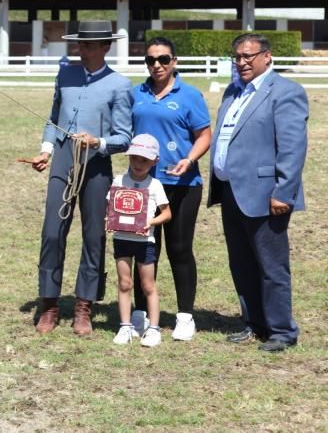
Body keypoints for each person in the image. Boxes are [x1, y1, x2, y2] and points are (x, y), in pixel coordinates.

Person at [30, 20, 132, 336]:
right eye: (80, 45)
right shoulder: (65, 75)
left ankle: (83, 306)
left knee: (93, 237)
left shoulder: (119, 84)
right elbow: (53, 117)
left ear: (105, 47)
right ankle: (49, 304)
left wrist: (99, 143)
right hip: (63, 159)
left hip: (96, 164)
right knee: (51, 231)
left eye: (89, 46)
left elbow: (124, 136)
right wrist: (46, 149)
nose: (83, 50)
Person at [208, 33, 307, 352]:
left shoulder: (286, 92)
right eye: (237, 56)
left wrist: (283, 192)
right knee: (242, 262)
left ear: (268, 56)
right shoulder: (232, 91)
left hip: (267, 195)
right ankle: (254, 322)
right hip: (232, 191)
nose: (242, 62)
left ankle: (281, 330)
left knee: (271, 266)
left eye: (249, 56)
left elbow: (293, 148)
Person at [129, 37, 212, 341]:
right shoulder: (135, 93)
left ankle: (185, 316)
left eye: (163, 59)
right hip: (143, 184)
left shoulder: (189, 95)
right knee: (144, 249)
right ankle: (139, 313)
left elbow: (204, 135)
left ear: (174, 61)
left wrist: (189, 160)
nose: (157, 65)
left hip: (183, 184)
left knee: (179, 249)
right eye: (151, 60)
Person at [109, 133, 172, 347]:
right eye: (134, 158)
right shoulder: (118, 181)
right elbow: (111, 206)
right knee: (124, 283)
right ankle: (125, 326)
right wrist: (107, 219)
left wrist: (151, 222)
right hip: (121, 239)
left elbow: (167, 213)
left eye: (144, 160)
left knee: (148, 285)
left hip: (145, 242)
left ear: (155, 162)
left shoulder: (155, 185)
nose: (138, 163)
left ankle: (153, 328)